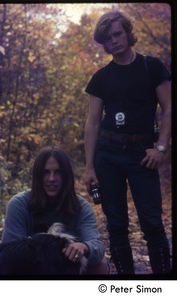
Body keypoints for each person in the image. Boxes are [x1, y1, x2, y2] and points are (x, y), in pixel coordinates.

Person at [84, 10, 171, 274]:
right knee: (116, 224)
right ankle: (126, 284)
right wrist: (90, 167)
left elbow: (168, 108)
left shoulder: (151, 66)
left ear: (128, 32)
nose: (114, 41)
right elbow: (93, 123)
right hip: (108, 153)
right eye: (107, 39)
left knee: (152, 222)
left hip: (142, 153)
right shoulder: (101, 77)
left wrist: (161, 148)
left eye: (117, 34)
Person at [1, 145, 109, 275]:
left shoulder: (81, 207)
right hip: (30, 267)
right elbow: (8, 253)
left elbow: (96, 245)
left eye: (58, 172)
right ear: (38, 176)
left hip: (67, 267)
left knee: (101, 264)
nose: (52, 179)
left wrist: (84, 247)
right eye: (46, 172)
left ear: (66, 176)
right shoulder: (19, 204)